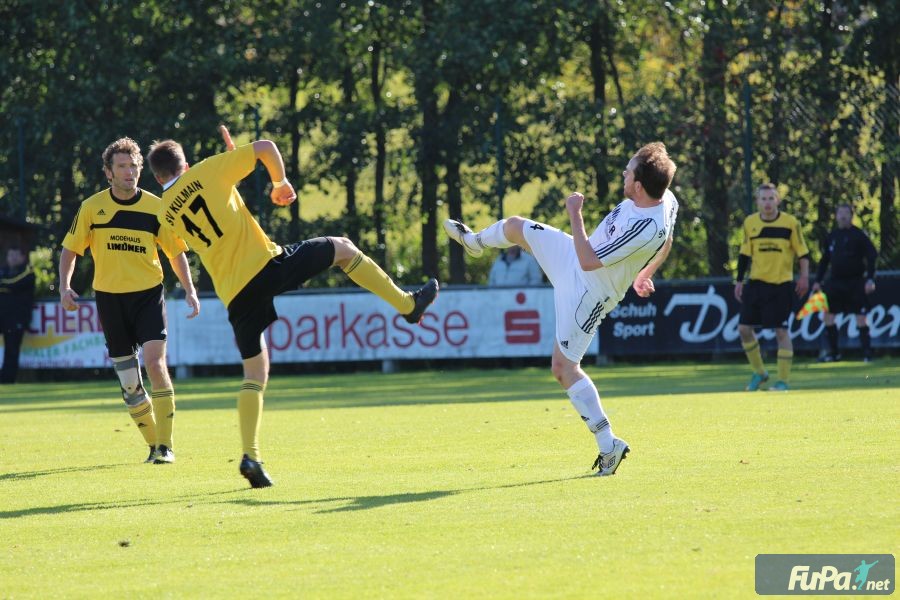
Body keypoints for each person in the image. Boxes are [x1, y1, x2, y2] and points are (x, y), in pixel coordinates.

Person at [146, 126, 438, 488]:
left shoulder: (165, 212)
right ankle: (407, 305)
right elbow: (266, 147)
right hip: (266, 266)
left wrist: (229, 168)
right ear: (186, 165)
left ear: (157, 177)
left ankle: (251, 456)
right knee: (343, 249)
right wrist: (279, 182)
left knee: (254, 374)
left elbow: (190, 231)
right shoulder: (207, 170)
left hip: (234, 293)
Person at [445, 142, 678, 477]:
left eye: (628, 172)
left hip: (588, 293)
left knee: (563, 368)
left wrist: (575, 213)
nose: (623, 174)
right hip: (575, 257)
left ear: (639, 187)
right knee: (516, 227)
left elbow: (589, 261)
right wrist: (645, 274)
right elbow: (669, 240)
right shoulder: (665, 198)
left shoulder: (646, 226)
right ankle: (473, 243)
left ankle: (608, 445)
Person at [60, 137, 200, 464]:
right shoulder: (92, 207)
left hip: (148, 295)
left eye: (134, 166)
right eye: (122, 166)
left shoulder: (156, 207)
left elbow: (175, 252)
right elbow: (70, 249)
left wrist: (190, 289)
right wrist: (65, 287)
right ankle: (153, 445)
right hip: (110, 300)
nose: (130, 172)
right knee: (130, 385)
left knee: (155, 363)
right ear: (108, 172)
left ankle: (165, 446)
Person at [734, 183, 810, 392]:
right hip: (756, 283)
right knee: (744, 329)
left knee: (781, 331)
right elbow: (744, 254)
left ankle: (783, 381)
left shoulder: (790, 223)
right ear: (757, 201)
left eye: (771, 198)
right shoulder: (750, 223)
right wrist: (739, 281)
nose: (767, 203)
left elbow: (803, 253)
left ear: (777, 200)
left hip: (781, 285)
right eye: (763, 199)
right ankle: (759, 372)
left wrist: (804, 277)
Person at [812, 203, 878, 362]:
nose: (843, 216)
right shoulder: (832, 236)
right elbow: (824, 260)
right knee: (828, 316)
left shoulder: (859, 235)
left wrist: (870, 278)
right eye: (840, 213)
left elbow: (872, 255)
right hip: (835, 282)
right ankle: (834, 353)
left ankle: (867, 354)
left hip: (855, 282)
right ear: (836, 216)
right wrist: (818, 280)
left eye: (846, 213)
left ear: (851, 216)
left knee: (861, 316)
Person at [0, 246, 36, 384]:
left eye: (16, 255)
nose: (13, 258)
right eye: (11, 255)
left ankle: (7, 380)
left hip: (17, 318)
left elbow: (14, 284)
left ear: (22, 257)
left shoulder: (28, 271)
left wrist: (3, 285)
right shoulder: (3, 271)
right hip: (2, 317)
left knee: (12, 349)